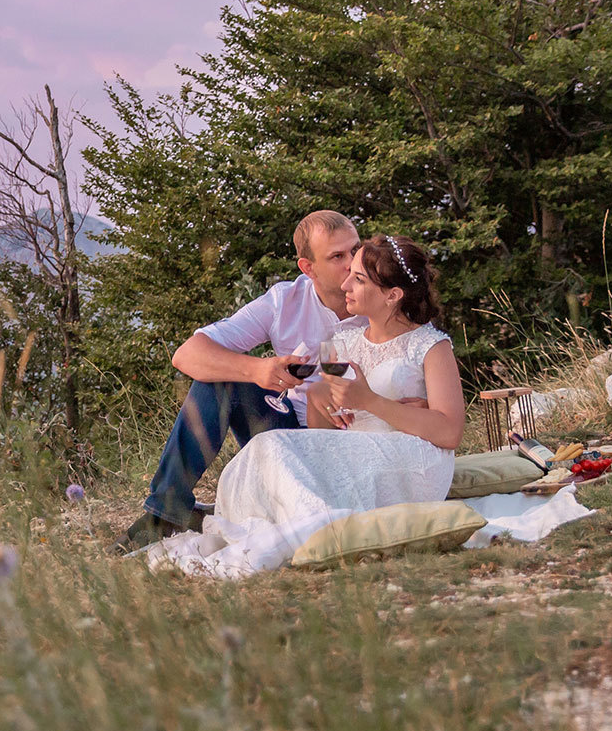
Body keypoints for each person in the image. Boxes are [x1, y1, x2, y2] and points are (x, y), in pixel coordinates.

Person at [140, 234, 467, 578]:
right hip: (353, 452)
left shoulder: (430, 344)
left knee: (277, 449)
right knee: (269, 448)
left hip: (412, 459)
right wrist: (318, 397)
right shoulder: (338, 344)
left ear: (393, 295)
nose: (346, 283)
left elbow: (450, 432)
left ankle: (316, 527)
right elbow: (322, 434)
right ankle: (175, 510)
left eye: (357, 278)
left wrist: (370, 401)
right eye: (345, 269)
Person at [115, 209, 365, 552]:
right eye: (338, 256)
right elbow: (187, 354)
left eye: (355, 249)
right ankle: (165, 514)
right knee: (220, 380)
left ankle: (235, 511)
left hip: (357, 437)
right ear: (308, 268)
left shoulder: (381, 295)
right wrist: (257, 370)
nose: (352, 263)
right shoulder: (285, 301)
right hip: (288, 430)